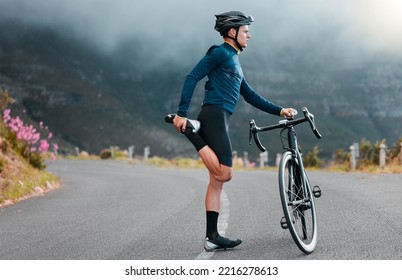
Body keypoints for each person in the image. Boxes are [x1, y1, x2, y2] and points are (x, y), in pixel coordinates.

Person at [166, 11, 295, 251]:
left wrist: (280, 111)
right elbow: (191, 77)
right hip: (214, 115)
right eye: (246, 31)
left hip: (220, 117)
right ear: (232, 32)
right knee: (224, 173)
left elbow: (250, 96)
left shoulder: (234, 61)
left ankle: (212, 236)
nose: (249, 35)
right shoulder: (219, 53)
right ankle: (190, 131)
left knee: (217, 181)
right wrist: (182, 112)